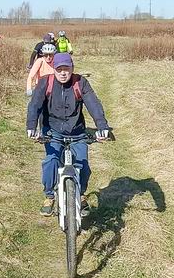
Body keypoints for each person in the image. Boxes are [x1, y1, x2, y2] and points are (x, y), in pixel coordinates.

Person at [26, 53, 111, 217]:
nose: (63, 73)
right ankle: (49, 196)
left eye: (67, 69)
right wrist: (31, 126)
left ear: (72, 68)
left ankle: (81, 194)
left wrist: (102, 126)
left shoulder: (81, 82)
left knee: (83, 165)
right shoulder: (46, 82)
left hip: (77, 132)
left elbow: (93, 103)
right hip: (52, 132)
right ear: (54, 69)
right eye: (59, 69)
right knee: (51, 161)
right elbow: (35, 104)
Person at [26, 42, 57, 137]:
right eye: (46, 55)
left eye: (51, 55)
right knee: (40, 109)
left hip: (54, 89)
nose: (48, 57)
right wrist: (29, 88)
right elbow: (31, 76)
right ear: (43, 54)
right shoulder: (40, 61)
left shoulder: (56, 61)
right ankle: (42, 131)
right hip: (40, 89)